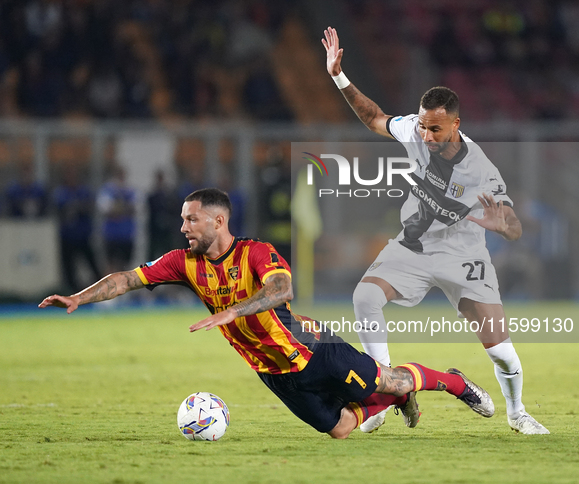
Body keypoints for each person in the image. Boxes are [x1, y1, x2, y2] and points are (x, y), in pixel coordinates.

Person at [39, 188, 494, 439]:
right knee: (338, 430)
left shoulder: (256, 252)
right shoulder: (183, 262)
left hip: (313, 349)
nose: (182, 228)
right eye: (182, 220)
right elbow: (127, 278)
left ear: (217, 222)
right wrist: (80, 296)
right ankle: (388, 398)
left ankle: (454, 382)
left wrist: (232, 311)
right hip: (271, 371)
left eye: (189, 220)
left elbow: (282, 288)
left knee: (391, 378)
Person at [322, 27, 548, 435]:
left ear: (456, 124)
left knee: (502, 353)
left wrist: (504, 225)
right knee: (365, 296)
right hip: (414, 246)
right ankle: (382, 395)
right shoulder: (414, 129)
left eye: (435, 130)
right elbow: (374, 117)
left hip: (464, 255)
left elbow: (513, 226)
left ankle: (517, 412)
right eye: (423, 127)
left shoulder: (481, 169)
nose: (425, 136)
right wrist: (339, 76)